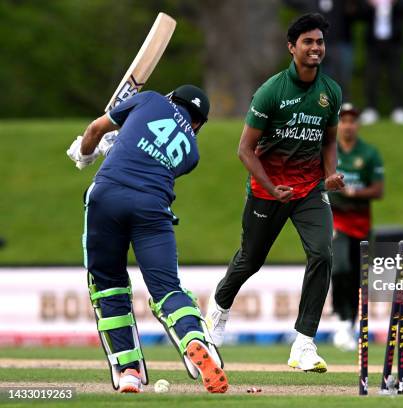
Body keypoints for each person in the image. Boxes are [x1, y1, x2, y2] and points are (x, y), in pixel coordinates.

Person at [204, 13, 344, 373]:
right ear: (291, 47)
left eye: (320, 42)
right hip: (268, 191)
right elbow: (244, 150)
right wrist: (270, 187)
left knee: (322, 253)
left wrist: (330, 175)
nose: (316, 48)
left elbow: (329, 140)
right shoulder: (271, 91)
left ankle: (303, 344)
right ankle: (218, 310)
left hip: (310, 189)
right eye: (308, 42)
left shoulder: (330, 92)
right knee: (251, 260)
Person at [66, 85, 228, 394]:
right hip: (153, 207)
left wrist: (86, 153)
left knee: (107, 284)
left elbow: (95, 129)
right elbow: (151, 161)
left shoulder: (149, 99)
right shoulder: (192, 153)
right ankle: (194, 338)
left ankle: (128, 371)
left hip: (107, 197)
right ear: (198, 125)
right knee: (167, 289)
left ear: (170, 98)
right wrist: (117, 143)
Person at [329, 102, 384, 351]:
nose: (348, 125)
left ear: (357, 124)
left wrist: (354, 192)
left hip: (361, 223)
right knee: (339, 267)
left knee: (356, 277)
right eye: (343, 120)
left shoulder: (369, 154)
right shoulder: (329, 151)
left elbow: (378, 190)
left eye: (352, 120)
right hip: (336, 220)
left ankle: (350, 322)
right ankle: (341, 318)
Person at [361, 0, 403, 125]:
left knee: (396, 76)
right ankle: (370, 109)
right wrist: (370, 4)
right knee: (372, 76)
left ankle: (399, 109)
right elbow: (360, 14)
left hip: (394, 42)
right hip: (373, 43)